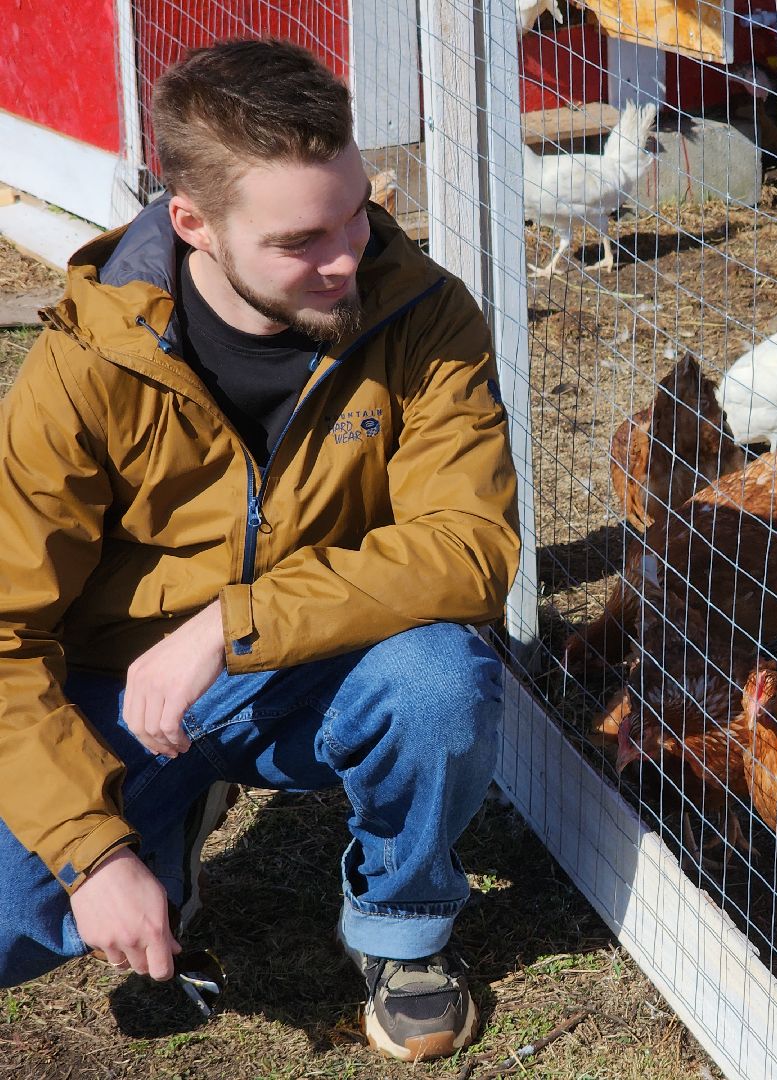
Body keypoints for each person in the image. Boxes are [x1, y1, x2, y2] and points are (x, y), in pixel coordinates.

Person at [0, 38, 520, 1063]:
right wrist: (89, 852)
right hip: (120, 691)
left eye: (356, 210)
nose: (349, 256)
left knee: (439, 683)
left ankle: (403, 927)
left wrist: (231, 627)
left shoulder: (424, 315)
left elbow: (470, 548)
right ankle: (158, 824)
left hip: (318, 668)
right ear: (192, 223)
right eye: (300, 240)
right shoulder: (83, 364)